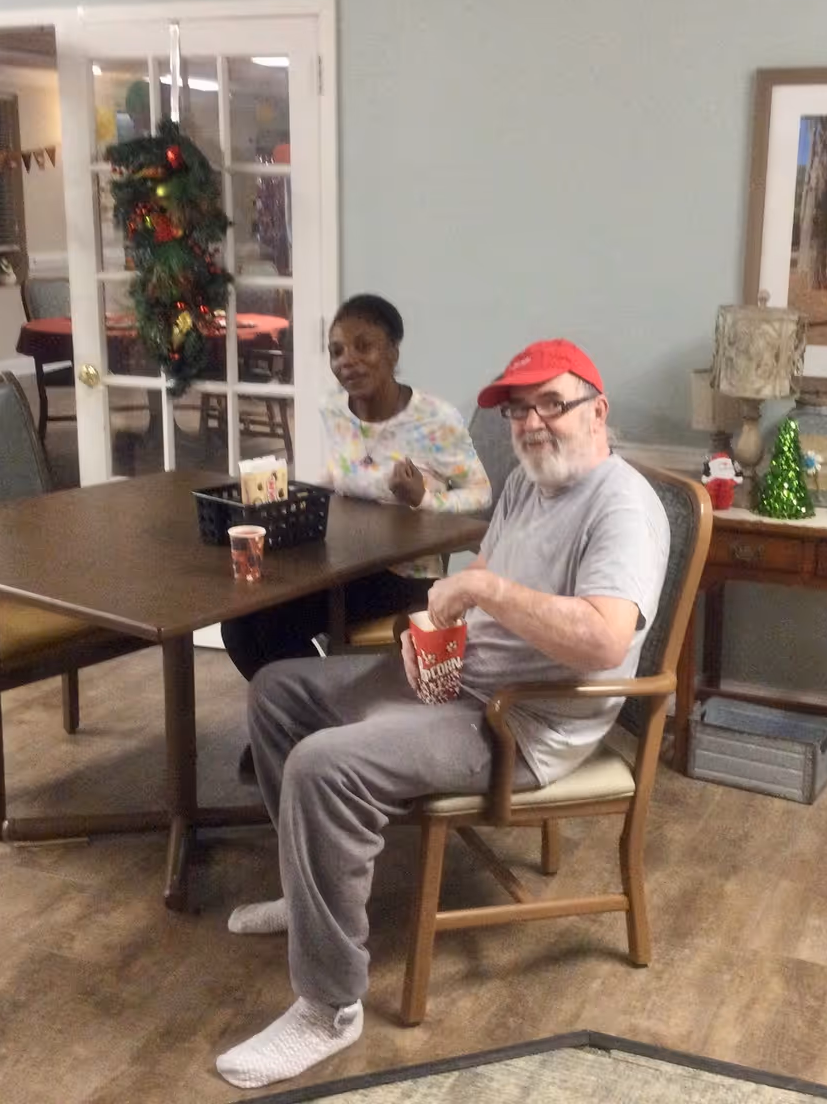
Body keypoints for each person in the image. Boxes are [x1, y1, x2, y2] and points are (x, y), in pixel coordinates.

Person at [214, 339, 670, 1090]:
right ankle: (308, 897)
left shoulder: (621, 505)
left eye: (551, 404)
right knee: (278, 692)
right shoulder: (529, 484)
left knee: (323, 766)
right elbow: (488, 571)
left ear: (598, 411)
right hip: (458, 677)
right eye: (519, 410)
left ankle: (328, 1008)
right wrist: (446, 616)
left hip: (520, 721)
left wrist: (483, 594)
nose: (532, 423)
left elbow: (603, 638)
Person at [222, 294, 491, 774]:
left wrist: (422, 497)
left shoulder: (434, 419)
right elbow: (341, 477)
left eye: (364, 346)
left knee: (273, 624)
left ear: (393, 352)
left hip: (404, 576)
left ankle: (312, 732)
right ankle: (304, 727)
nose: (348, 360)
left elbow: (481, 495)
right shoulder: (333, 410)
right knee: (241, 624)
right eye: (337, 350)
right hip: (336, 562)